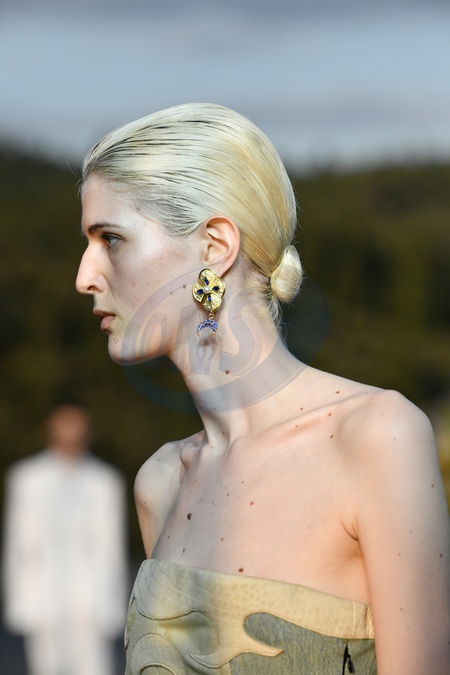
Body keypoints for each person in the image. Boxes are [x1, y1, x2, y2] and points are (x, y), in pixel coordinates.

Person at [75, 103, 450, 674]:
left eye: (111, 239)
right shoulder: (162, 482)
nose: (85, 276)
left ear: (214, 246)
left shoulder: (375, 437)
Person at [2, 403, 128, 675]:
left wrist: (113, 604)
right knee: (45, 664)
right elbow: (16, 544)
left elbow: (112, 547)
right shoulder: (27, 479)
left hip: (91, 591)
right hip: (42, 588)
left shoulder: (104, 481)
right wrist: (18, 601)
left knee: (94, 665)